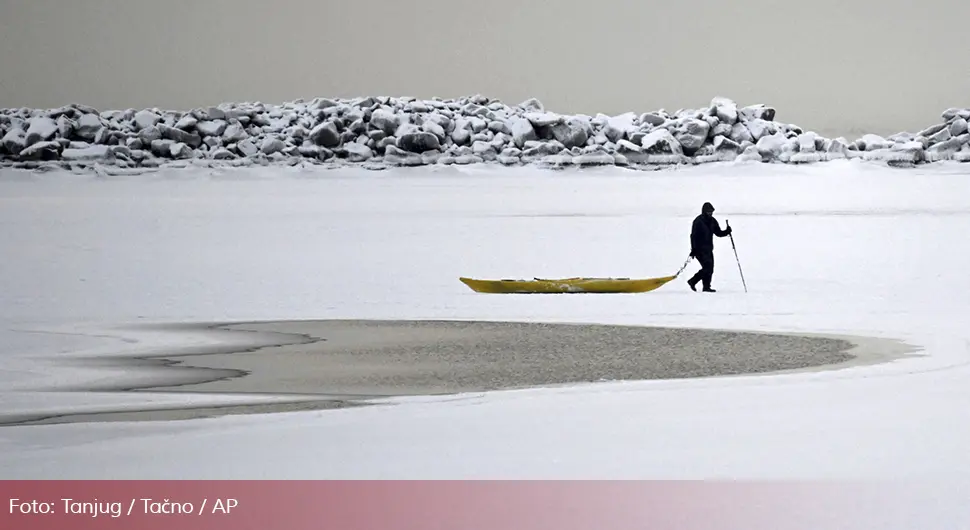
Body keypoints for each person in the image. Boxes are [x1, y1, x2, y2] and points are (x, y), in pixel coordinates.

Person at [687, 202, 732, 292]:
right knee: (707, 268)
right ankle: (693, 281)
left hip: (708, 249)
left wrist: (727, 231)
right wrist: (693, 249)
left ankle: (706, 287)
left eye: (711, 212)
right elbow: (693, 236)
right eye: (708, 212)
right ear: (704, 211)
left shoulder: (712, 221)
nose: (710, 213)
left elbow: (718, 233)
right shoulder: (698, 221)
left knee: (710, 269)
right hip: (699, 250)